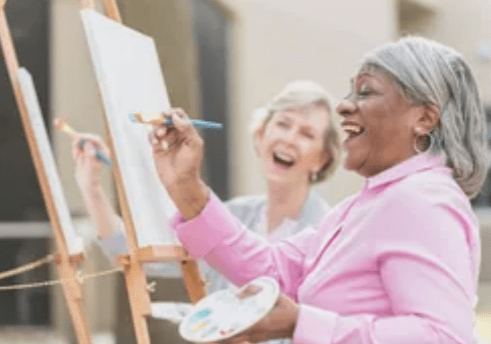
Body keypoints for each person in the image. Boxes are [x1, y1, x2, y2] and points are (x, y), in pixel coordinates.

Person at [149, 36, 488, 344]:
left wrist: (301, 324)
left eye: (366, 92)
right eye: (352, 92)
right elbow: (274, 269)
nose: (344, 105)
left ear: (425, 118)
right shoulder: (363, 206)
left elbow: (443, 337)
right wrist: (186, 187)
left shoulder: (420, 200)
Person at [71, 81, 341, 336]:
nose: (290, 139)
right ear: (260, 135)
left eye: (307, 134)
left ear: (322, 159)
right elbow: (133, 252)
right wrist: (92, 188)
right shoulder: (231, 216)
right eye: (283, 124)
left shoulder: (328, 234)